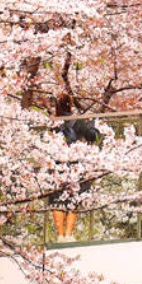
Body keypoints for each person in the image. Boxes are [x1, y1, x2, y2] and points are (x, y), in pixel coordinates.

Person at [49, 93, 100, 241]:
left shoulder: (52, 122)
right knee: (74, 197)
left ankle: (59, 234)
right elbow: (90, 136)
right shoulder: (77, 121)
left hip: (57, 162)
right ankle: (69, 234)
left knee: (57, 198)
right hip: (75, 162)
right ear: (70, 104)